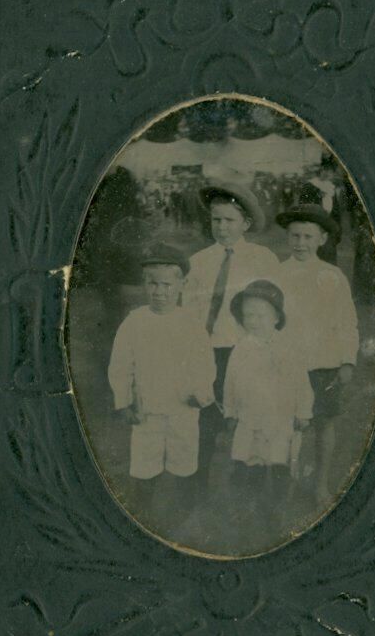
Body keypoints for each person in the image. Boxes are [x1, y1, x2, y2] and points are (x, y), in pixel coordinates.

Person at [108, 243, 215, 523]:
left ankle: (182, 515)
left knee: (184, 460)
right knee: (145, 463)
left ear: (181, 285)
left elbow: (205, 365)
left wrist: (200, 393)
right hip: (147, 409)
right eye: (153, 284)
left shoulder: (191, 324)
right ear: (145, 284)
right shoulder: (135, 322)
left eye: (167, 284)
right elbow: (120, 366)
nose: (159, 291)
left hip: (183, 408)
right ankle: (142, 515)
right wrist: (124, 402)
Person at [184, 177, 279, 490]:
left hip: (245, 350)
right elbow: (190, 311)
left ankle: (249, 481)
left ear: (246, 223)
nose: (222, 227)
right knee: (206, 415)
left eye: (229, 220)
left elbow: (274, 309)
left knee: (250, 414)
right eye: (216, 220)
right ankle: (197, 482)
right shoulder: (198, 262)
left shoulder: (262, 259)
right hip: (207, 350)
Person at [276, 204, 359, 502]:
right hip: (288, 364)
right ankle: (287, 480)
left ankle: (320, 483)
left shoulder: (332, 275)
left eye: (308, 237)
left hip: (324, 363)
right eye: (295, 236)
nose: (301, 243)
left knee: (324, 422)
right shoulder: (277, 273)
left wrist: (347, 361)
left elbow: (347, 322)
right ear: (288, 237)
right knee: (288, 424)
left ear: (322, 239)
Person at [223, 280, 314, 528]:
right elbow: (230, 383)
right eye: (248, 315)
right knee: (250, 461)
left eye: (260, 315)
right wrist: (230, 411)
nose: (253, 321)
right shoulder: (241, 349)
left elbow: (302, 383)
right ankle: (249, 506)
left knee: (279, 462)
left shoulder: (289, 348)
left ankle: (275, 510)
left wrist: (303, 412)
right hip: (249, 417)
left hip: (280, 419)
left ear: (276, 317)